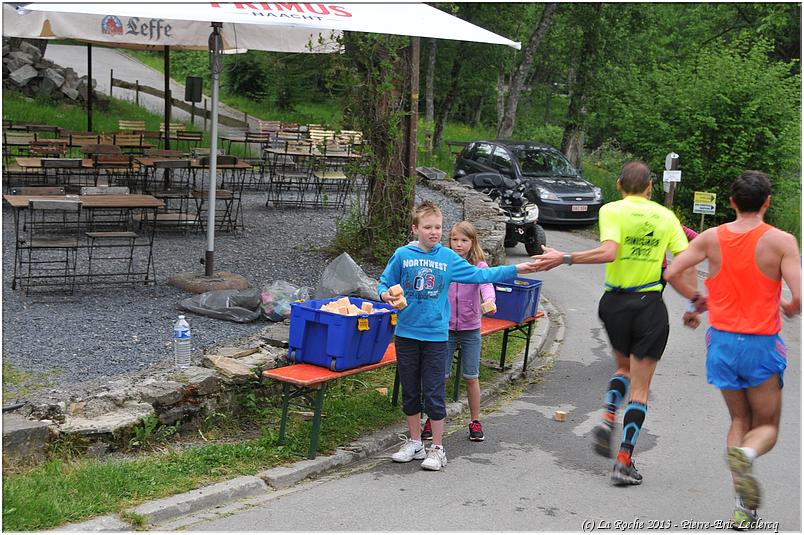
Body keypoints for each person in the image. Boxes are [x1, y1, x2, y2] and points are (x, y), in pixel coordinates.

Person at [530, 160, 698, 486]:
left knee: (623, 368)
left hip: (614, 305)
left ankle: (608, 414)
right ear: (650, 186)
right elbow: (686, 260)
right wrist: (693, 303)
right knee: (641, 387)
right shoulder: (666, 217)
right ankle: (624, 462)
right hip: (649, 306)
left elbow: (609, 252)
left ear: (619, 185)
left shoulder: (611, 210)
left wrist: (564, 257)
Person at [664, 170, 800, 528]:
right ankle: (746, 454)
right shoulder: (782, 241)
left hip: (721, 342)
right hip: (761, 343)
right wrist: (789, 306)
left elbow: (672, 271)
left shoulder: (711, 238)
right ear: (767, 202)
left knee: (739, 419)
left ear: (731, 202)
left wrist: (697, 301)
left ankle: (744, 507)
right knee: (766, 425)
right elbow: (798, 296)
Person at [378, 201, 539, 471]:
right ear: (415, 228)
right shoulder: (402, 255)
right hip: (406, 334)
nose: (434, 232)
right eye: (427, 227)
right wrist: (386, 295)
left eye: (438, 227)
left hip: (436, 337)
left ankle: (438, 449)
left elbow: (480, 275)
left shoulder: (449, 259)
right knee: (410, 390)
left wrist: (518, 269)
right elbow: (383, 282)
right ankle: (416, 442)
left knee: (434, 391)